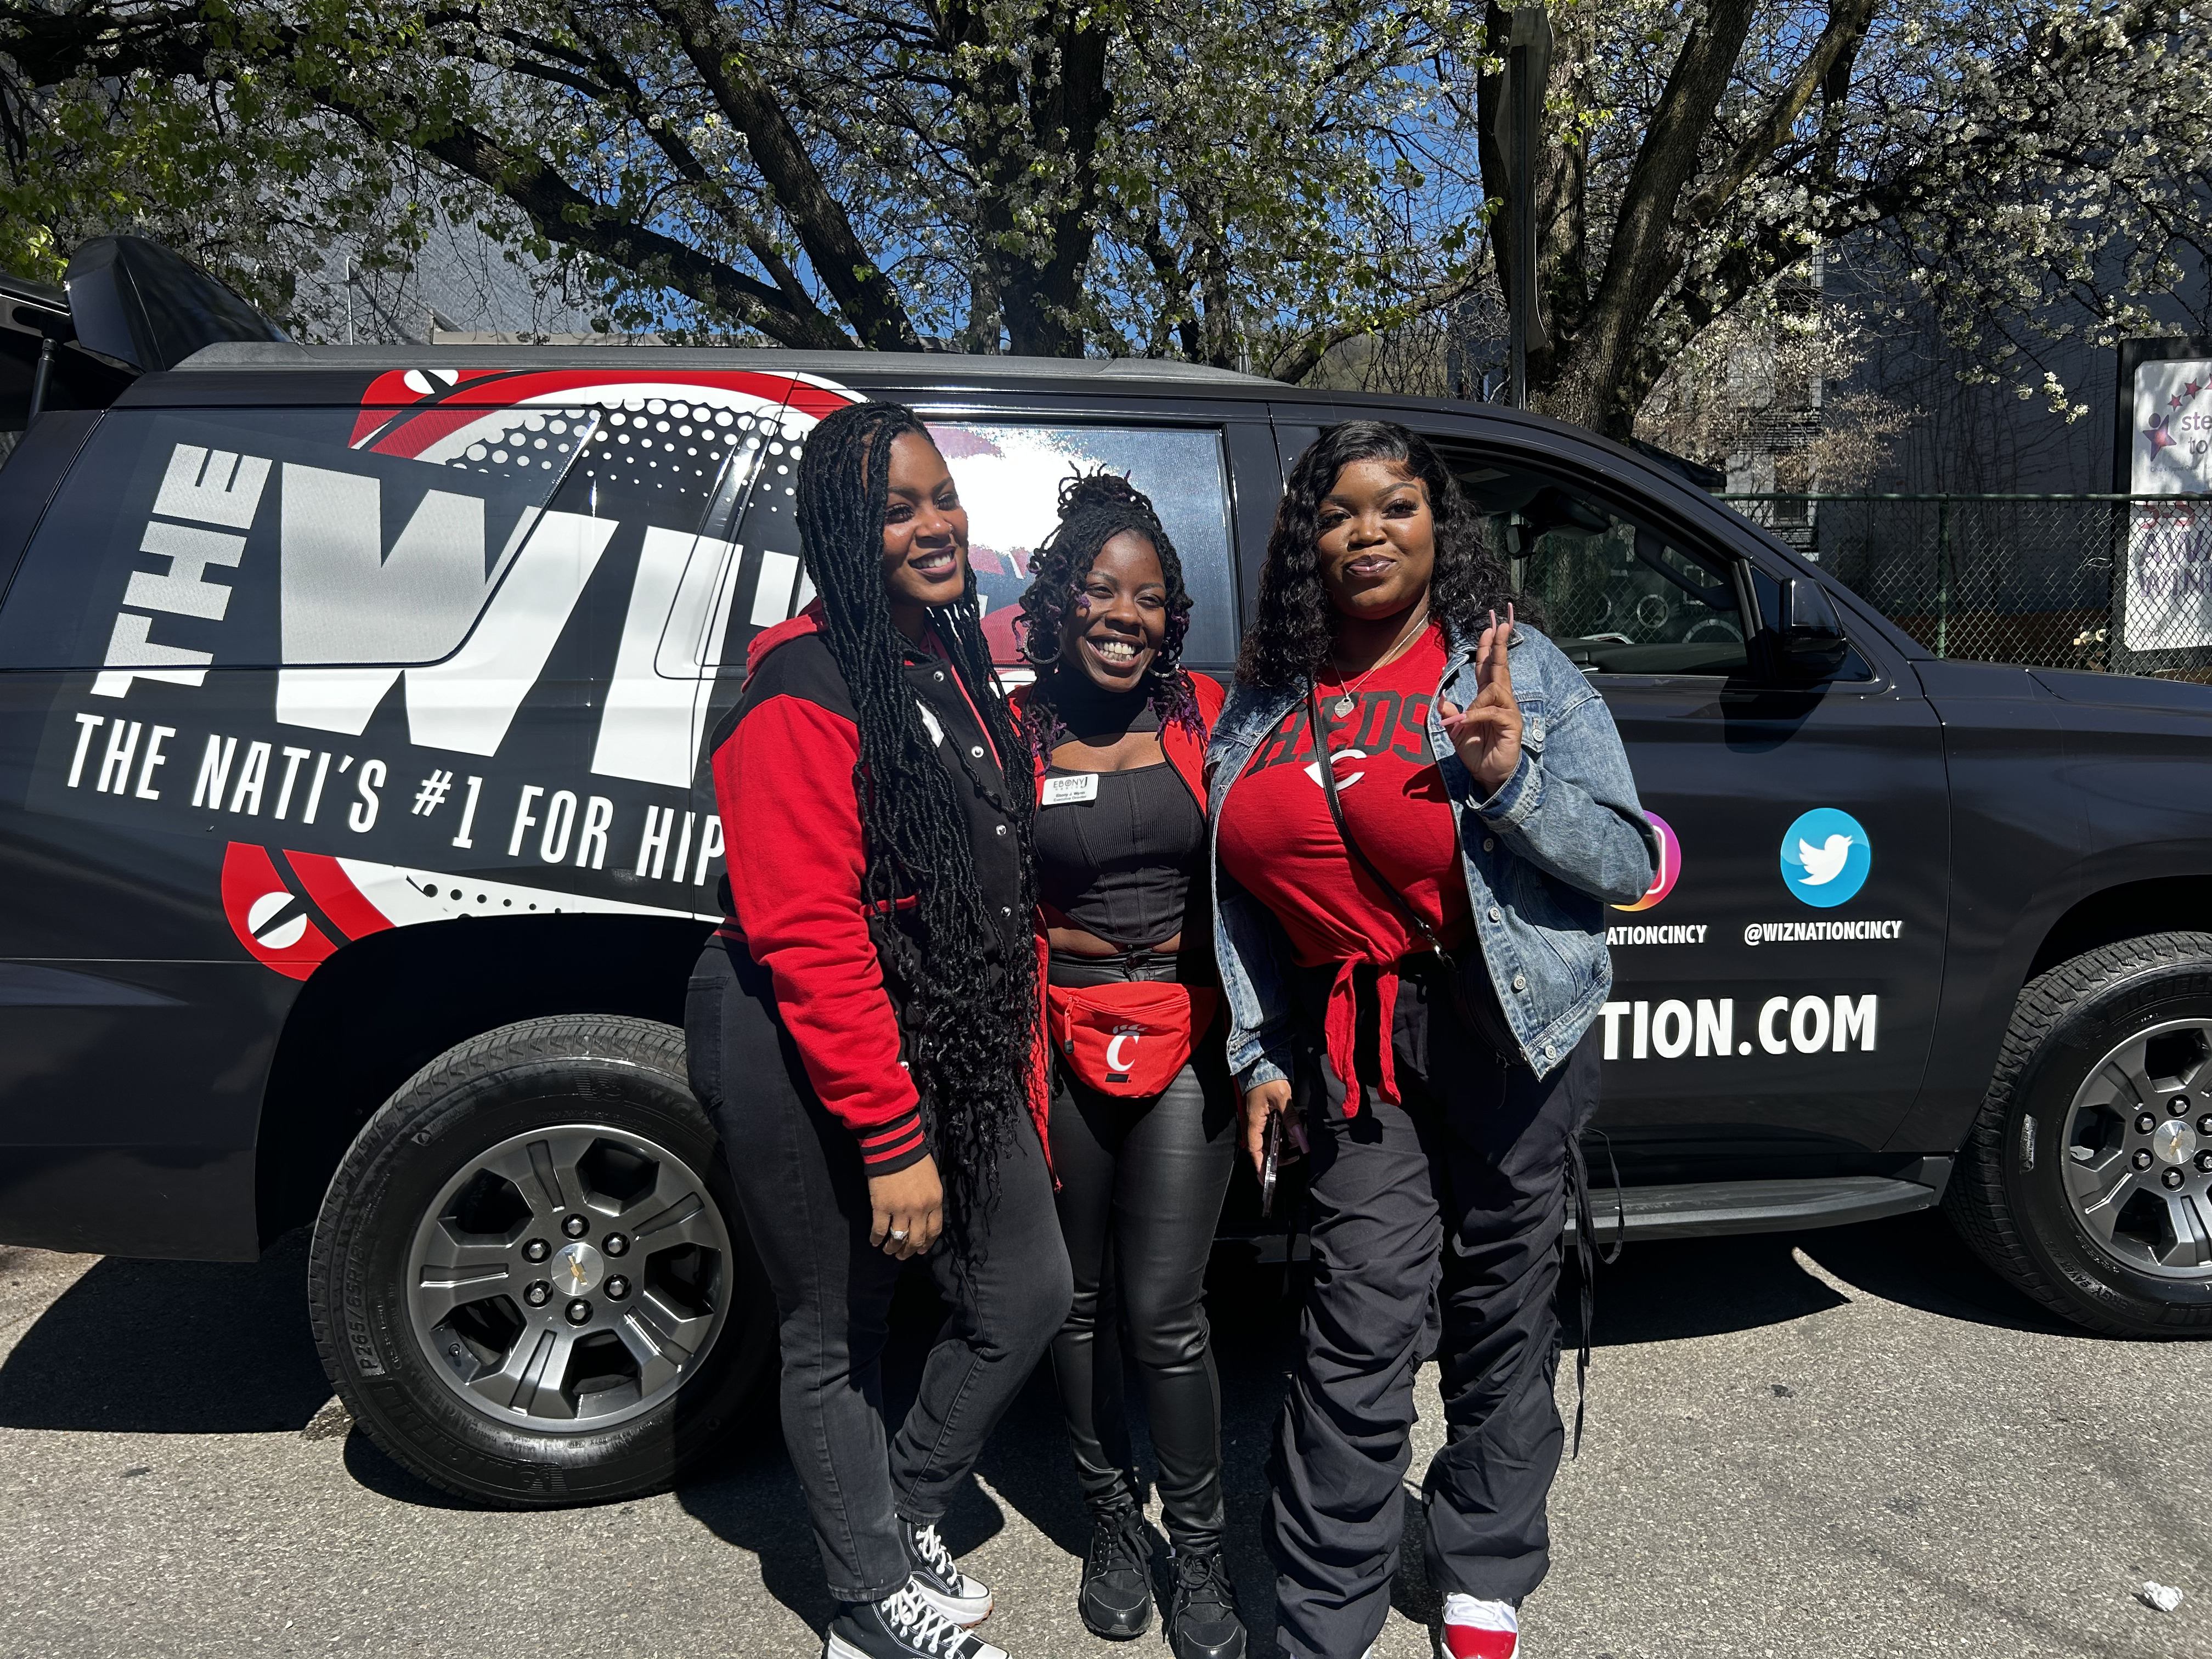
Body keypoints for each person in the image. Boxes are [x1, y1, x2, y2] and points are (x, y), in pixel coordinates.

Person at [1205, 421, 1656, 1659]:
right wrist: (1263, 1050)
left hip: (1504, 1025)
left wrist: (1511, 782)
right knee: (1357, 1324)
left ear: (1435, 522)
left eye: (1396, 506)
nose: (1367, 533)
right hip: (1352, 1045)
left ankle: (1482, 1566)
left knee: (1503, 1305)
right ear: (1307, 543)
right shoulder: (1264, 699)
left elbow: (1625, 858)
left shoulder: (1510, 666)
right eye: (1338, 514)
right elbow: (1239, 896)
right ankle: (1322, 1622)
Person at [686, 401, 1073, 1659]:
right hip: (808, 1039)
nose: (932, 525)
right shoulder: (802, 687)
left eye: (940, 498)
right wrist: (892, 1136)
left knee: (1028, 1286)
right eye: (895, 510)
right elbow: (808, 935)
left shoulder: (943, 656)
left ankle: (897, 1503)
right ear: (842, 536)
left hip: (941, 1030)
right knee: (834, 1327)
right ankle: (865, 1605)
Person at [1008, 475, 1244, 1659]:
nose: (1125, 613)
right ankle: (1111, 1520)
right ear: (1063, 600)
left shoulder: (1209, 713)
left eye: (1148, 596)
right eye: (1102, 589)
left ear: (1172, 614)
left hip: (1188, 1030)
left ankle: (1199, 1556)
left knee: (1164, 1312)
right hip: (1057, 1026)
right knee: (1077, 1300)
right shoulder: (1018, 727)